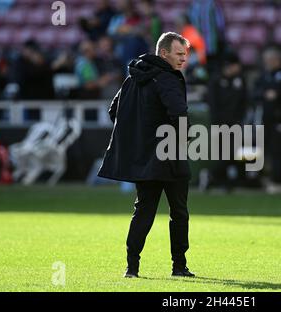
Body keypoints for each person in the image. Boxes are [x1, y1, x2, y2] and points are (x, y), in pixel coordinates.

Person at [97, 32, 194, 278]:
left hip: (145, 160)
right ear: (164, 54)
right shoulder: (169, 78)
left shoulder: (133, 78)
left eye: (185, 54)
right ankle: (179, 267)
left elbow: (114, 112)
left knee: (143, 211)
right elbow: (179, 114)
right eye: (179, 54)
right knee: (179, 212)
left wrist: (140, 137)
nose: (183, 59)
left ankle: (132, 267)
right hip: (169, 156)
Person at [254, 47, 281, 194]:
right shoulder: (265, 75)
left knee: (279, 152)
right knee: (267, 151)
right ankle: (266, 179)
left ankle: (279, 181)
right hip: (266, 119)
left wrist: (277, 94)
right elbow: (256, 91)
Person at [203, 52, 246, 191]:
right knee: (225, 154)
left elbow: (244, 101)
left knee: (232, 154)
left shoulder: (239, 80)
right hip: (221, 123)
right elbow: (213, 104)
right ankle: (215, 177)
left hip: (235, 123)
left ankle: (218, 179)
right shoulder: (216, 81)